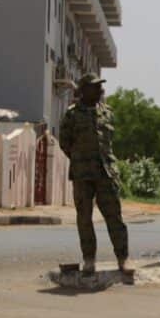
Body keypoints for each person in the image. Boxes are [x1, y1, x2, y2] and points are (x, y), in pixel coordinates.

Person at [58, 73, 128, 275]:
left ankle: (123, 258)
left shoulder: (107, 113)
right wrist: (81, 158)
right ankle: (89, 260)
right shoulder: (72, 114)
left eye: (100, 87)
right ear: (84, 90)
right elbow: (65, 143)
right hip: (83, 175)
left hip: (106, 173)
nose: (100, 90)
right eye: (95, 87)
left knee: (114, 216)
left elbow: (110, 142)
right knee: (84, 219)